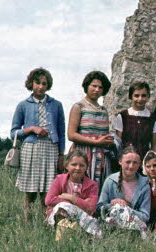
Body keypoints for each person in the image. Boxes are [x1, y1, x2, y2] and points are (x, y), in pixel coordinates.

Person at [10, 67, 65, 219]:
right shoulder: (23, 105)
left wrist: (61, 154)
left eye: (44, 84)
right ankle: (28, 225)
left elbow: (61, 132)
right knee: (30, 191)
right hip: (31, 149)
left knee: (48, 192)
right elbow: (13, 133)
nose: (40, 87)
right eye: (37, 83)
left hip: (50, 149)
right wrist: (31, 129)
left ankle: (45, 223)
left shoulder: (56, 105)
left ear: (48, 86)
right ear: (31, 83)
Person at [67, 70, 115, 186]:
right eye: (94, 86)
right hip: (83, 154)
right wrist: (95, 142)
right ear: (87, 86)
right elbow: (71, 135)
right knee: (81, 186)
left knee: (99, 188)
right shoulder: (79, 107)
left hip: (101, 155)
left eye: (100, 87)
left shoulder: (103, 110)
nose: (97, 90)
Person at [97, 146, 151, 238]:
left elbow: (145, 216)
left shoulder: (145, 185)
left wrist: (125, 208)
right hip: (112, 225)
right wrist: (112, 205)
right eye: (128, 162)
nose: (131, 166)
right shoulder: (110, 180)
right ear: (120, 161)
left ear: (139, 165)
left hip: (135, 227)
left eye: (135, 163)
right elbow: (99, 207)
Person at [44, 150, 101, 237]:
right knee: (62, 208)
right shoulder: (59, 179)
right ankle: (62, 239)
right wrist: (82, 202)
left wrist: (71, 197)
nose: (78, 168)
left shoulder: (92, 185)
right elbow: (49, 200)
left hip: (81, 219)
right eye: (74, 164)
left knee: (64, 206)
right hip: (59, 217)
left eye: (82, 165)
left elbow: (91, 208)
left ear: (86, 167)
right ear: (66, 165)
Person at [112, 81, 156, 161]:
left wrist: (154, 159)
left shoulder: (153, 118)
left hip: (144, 160)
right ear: (131, 97)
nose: (140, 99)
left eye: (143, 96)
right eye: (136, 96)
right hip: (127, 160)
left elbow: (154, 144)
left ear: (148, 96)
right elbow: (118, 143)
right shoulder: (123, 116)